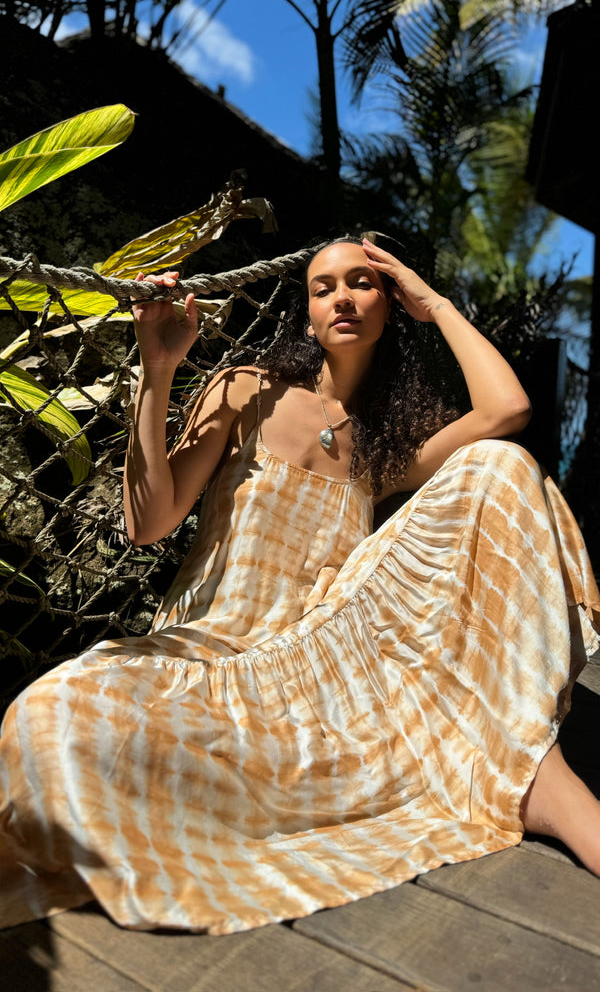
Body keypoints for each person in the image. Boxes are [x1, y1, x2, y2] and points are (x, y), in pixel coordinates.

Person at [1, 236, 599, 935]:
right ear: (307, 313)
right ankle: (512, 769)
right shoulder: (246, 390)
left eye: (363, 284)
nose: (343, 297)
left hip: (334, 671)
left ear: (390, 303)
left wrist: (430, 299)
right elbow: (147, 522)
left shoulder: (383, 447)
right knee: (53, 712)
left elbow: (506, 411)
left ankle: (524, 760)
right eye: (324, 287)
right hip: (213, 657)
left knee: (495, 465)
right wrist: (157, 371)